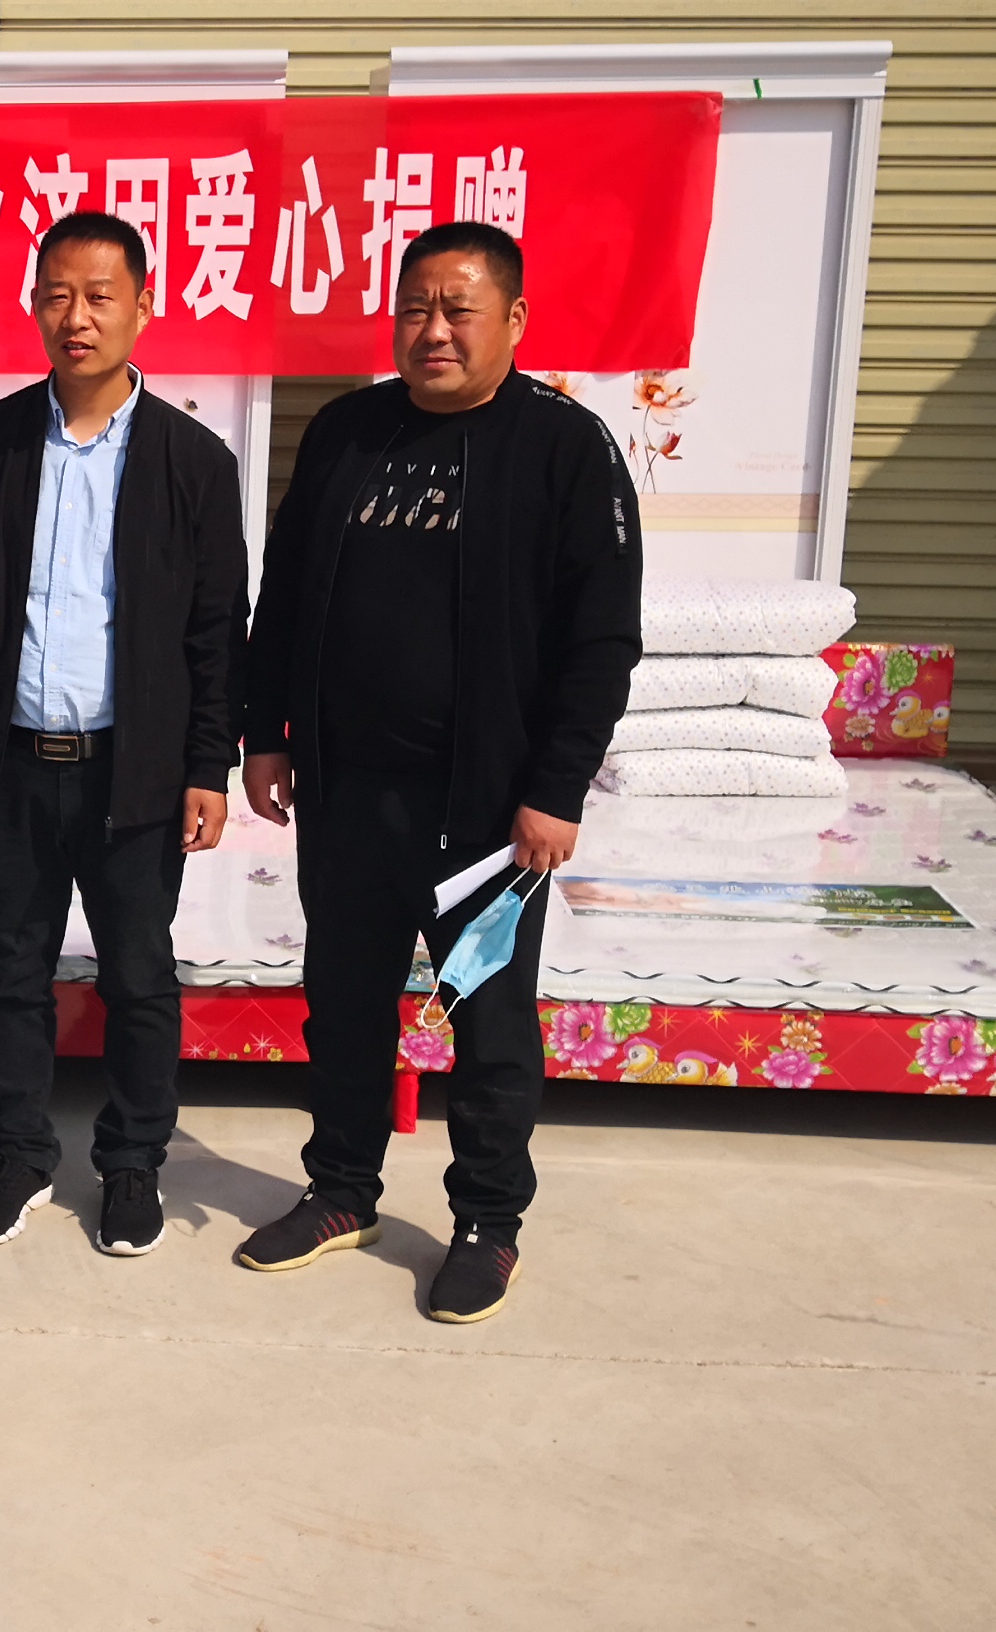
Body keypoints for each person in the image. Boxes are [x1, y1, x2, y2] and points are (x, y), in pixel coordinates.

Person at [235, 221, 640, 1322]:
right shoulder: (348, 431)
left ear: (514, 319)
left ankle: (487, 1223)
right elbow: (285, 595)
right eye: (416, 308)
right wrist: (265, 732)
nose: (434, 331)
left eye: (460, 309)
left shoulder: (564, 447)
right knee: (345, 1005)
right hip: (349, 794)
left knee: (489, 1021)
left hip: (489, 814)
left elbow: (602, 638)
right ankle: (341, 1192)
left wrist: (555, 788)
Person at [0, 213, 246, 1257]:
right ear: (33, 306)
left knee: (138, 974)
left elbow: (217, 629)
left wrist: (207, 764)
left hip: (135, 774)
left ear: (143, 306)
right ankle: (18, 1155)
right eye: (56, 296)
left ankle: (132, 1165)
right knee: (13, 968)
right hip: (12, 766)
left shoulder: (192, 460)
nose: (75, 318)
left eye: (99, 296)